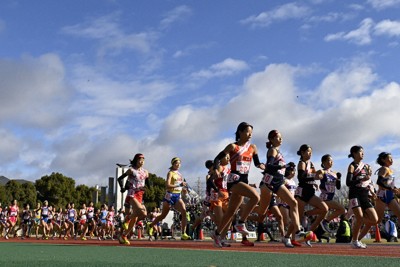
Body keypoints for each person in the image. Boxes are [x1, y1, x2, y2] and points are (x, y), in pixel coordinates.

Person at [211, 122, 265, 247]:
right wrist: (217, 169)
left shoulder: (253, 148)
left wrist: (265, 167)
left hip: (244, 180)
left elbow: (257, 164)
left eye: (251, 132)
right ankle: (241, 222)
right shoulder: (232, 146)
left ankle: (218, 235)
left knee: (231, 212)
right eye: (247, 132)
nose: (250, 135)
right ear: (240, 132)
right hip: (234, 180)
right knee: (256, 197)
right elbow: (217, 159)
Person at [258, 130, 304, 247]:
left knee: (293, 203)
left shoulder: (279, 152)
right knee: (261, 214)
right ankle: (241, 217)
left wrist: (284, 169)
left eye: (281, 138)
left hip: (278, 183)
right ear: (272, 139)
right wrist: (284, 165)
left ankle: (298, 231)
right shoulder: (272, 150)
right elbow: (269, 166)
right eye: (278, 138)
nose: (281, 139)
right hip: (268, 183)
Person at [148, 157, 191, 241]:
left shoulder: (180, 174)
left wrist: (184, 190)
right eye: (176, 163)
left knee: (184, 211)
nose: (178, 165)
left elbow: (181, 186)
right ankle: (150, 225)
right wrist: (179, 185)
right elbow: (167, 185)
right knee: (163, 215)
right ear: (172, 164)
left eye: (179, 163)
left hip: (178, 195)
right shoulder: (170, 173)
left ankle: (183, 233)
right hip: (170, 195)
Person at [359, 152, 400, 240]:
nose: (392, 160)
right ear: (383, 160)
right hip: (382, 197)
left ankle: (356, 239)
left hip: (390, 196)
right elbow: (379, 182)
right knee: (375, 221)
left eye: (392, 158)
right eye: (389, 158)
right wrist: (391, 189)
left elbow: (389, 184)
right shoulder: (384, 169)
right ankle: (357, 238)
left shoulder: (390, 170)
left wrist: (395, 189)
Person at [346, 145, 378, 249]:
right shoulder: (352, 166)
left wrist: (372, 192)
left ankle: (355, 221)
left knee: (375, 219)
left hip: (364, 195)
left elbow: (368, 181)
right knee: (359, 217)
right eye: (360, 152)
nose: (363, 154)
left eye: (363, 152)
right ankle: (355, 241)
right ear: (354, 154)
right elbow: (348, 182)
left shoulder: (366, 166)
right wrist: (361, 179)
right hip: (354, 194)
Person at [295, 144, 328, 235]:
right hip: (302, 191)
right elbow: (301, 178)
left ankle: (307, 215)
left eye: (311, 152)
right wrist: (314, 178)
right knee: (299, 218)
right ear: (302, 153)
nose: (310, 154)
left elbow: (314, 175)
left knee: (324, 208)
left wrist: (318, 177)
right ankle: (292, 237)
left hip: (310, 191)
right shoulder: (301, 163)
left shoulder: (311, 164)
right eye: (308, 152)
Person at [117, 153, 150, 245]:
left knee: (140, 217)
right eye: (140, 159)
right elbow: (120, 178)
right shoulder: (131, 170)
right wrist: (122, 188)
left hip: (140, 195)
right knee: (141, 212)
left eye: (143, 160)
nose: (142, 161)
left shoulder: (145, 172)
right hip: (132, 194)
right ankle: (127, 219)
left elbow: (147, 182)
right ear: (136, 160)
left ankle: (123, 235)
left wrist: (149, 189)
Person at [317, 154, 345, 233]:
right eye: (329, 160)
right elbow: (320, 181)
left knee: (318, 219)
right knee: (342, 209)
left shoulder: (334, 173)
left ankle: (314, 233)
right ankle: (326, 221)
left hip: (330, 197)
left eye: (332, 161)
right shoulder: (323, 172)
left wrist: (339, 179)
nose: (331, 162)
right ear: (324, 162)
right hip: (325, 197)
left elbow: (338, 187)